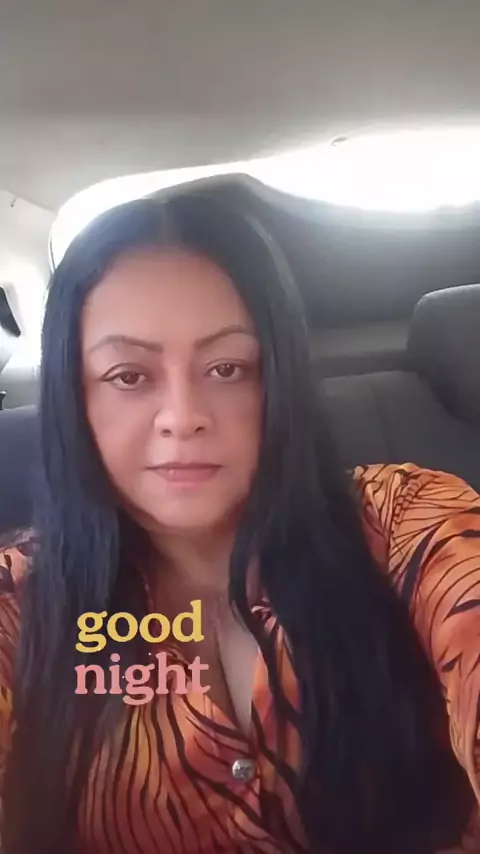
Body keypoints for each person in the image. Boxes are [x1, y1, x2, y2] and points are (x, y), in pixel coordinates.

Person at [0, 178, 478, 854]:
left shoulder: (409, 523)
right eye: (129, 376)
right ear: (74, 400)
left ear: (276, 377)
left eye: (227, 368)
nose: (183, 417)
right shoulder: (18, 604)